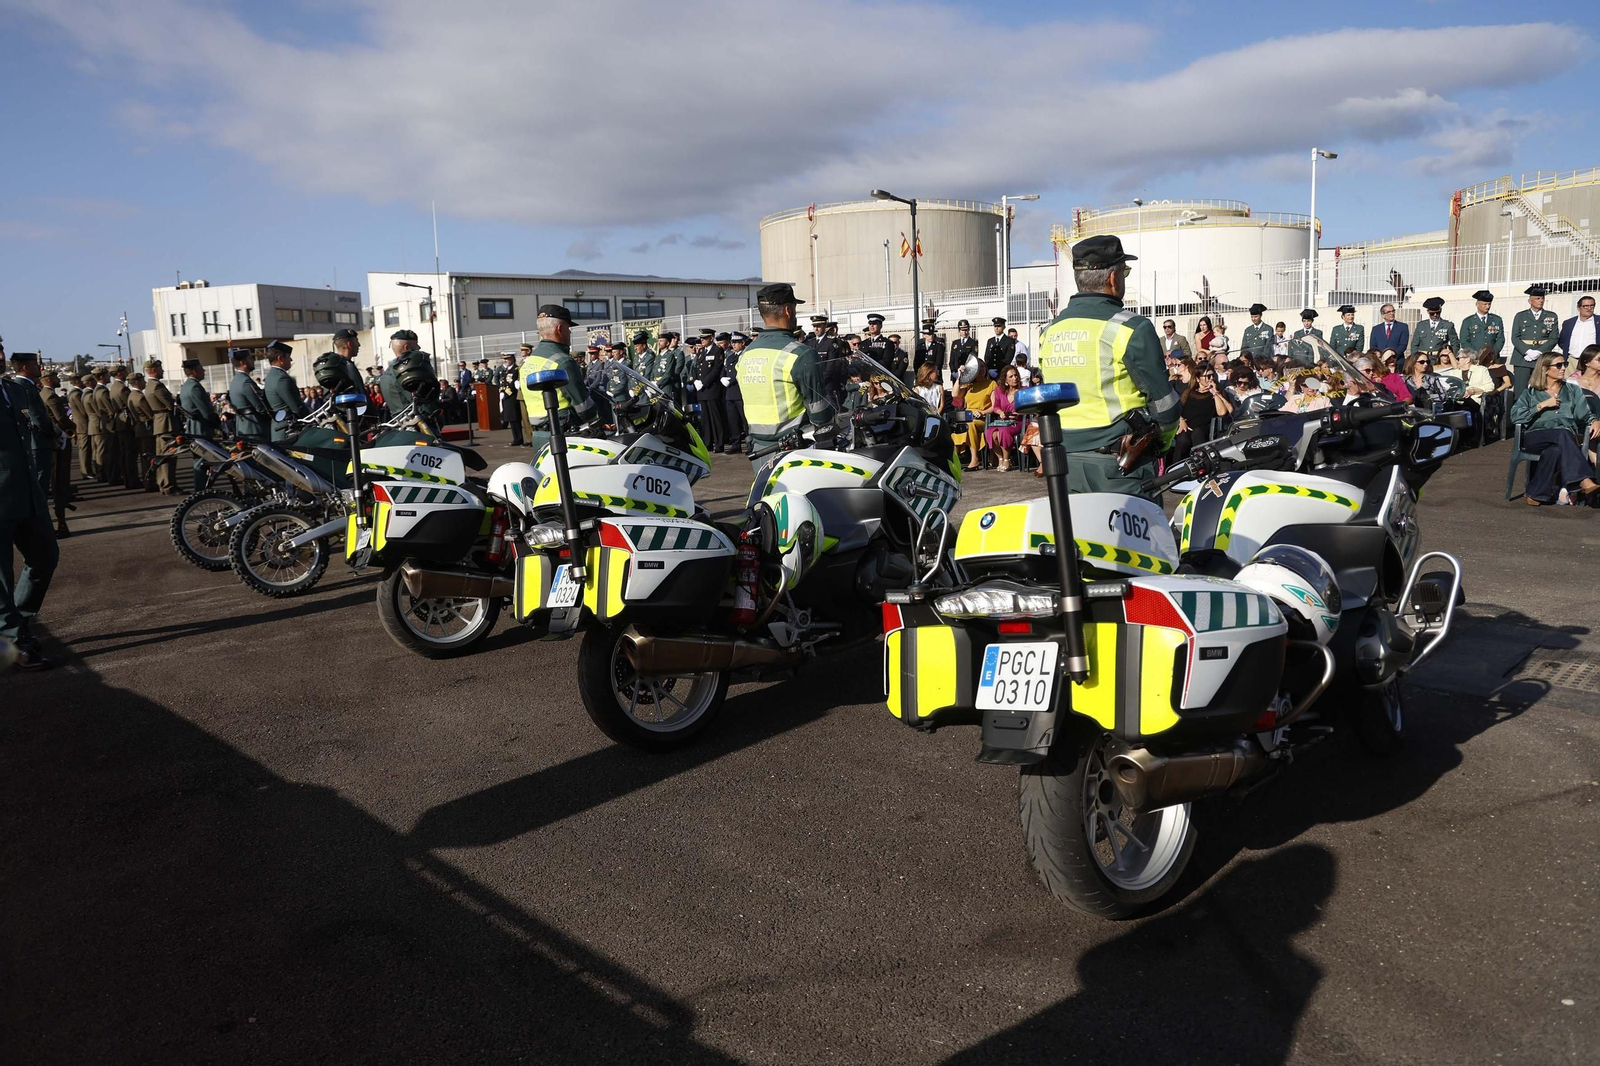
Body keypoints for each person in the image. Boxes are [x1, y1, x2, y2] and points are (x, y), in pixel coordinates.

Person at [1034, 235, 1179, 497]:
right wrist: (1163, 444)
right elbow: (1165, 406)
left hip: (1064, 463)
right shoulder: (1131, 327)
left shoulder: (1049, 331)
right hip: (1118, 466)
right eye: (1124, 271)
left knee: (1073, 536)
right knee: (1133, 538)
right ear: (1113, 278)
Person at [0, 334, 58, 671]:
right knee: (1, 577)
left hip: (26, 494)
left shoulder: (15, 390)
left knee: (45, 557)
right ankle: (12, 641)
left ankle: (18, 620)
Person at [738, 283, 833, 457]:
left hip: (758, 448)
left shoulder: (746, 354)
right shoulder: (801, 353)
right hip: (795, 448)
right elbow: (819, 413)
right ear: (788, 310)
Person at [1511, 351, 1600, 505]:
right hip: (1536, 436)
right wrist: (1541, 406)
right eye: (1558, 365)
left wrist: (1595, 420)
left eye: (1564, 364)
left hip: (1564, 438)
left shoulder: (1572, 390)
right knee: (1563, 434)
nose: (1563, 368)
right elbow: (1515, 416)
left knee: (1556, 449)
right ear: (1545, 369)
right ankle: (1584, 481)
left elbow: (1583, 414)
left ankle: (1535, 493)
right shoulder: (1531, 393)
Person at [517, 304, 596, 453]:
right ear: (559, 329)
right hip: (565, 436)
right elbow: (585, 410)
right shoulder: (563, 361)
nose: (569, 333)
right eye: (568, 328)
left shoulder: (530, 361)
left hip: (540, 435)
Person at [37, 371, 74, 533]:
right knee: (59, 479)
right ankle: (61, 523)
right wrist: (72, 428)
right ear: (50, 379)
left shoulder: (41, 394)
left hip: (50, 442)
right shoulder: (50, 396)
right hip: (58, 442)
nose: (59, 380)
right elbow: (60, 418)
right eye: (56, 378)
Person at [1172, 363, 1232, 462]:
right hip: (1188, 426)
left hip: (1205, 427)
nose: (1211, 378)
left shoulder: (1218, 392)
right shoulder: (1188, 392)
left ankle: (1202, 464)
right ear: (1198, 379)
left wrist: (1215, 393)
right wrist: (1181, 420)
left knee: (1198, 434)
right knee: (1183, 441)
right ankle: (1176, 470)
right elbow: (1177, 409)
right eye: (1208, 376)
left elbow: (1222, 413)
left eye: (1213, 375)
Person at [1509, 285, 1560, 397]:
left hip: (1542, 358)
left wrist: (1539, 352)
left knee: (1541, 388)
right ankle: (1520, 413)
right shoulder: (1520, 316)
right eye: (1537, 298)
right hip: (1522, 358)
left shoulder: (1551, 316)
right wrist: (1527, 351)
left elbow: (1553, 338)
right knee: (1520, 390)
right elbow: (1515, 337)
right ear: (1530, 300)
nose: (1541, 301)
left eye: (1542, 298)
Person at [178, 358, 220, 485]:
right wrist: (218, 425)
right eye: (201, 368)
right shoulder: (195, 387)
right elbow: (206, 411)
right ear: (195, 371)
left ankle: (202, 488)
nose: (204, 370)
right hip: (200, 427)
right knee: (202, 459)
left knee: (200, 458)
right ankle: (202, 490)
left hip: (194, 425)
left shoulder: (186, 386)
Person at [143, 360, 178, 494]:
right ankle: (169, 485)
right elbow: (170, 404)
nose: (162, 371)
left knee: (161, 457)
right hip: (166, 424)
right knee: (168, 456)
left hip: (159, 423)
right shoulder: (157, 386)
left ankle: (163, 484)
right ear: (154, 370)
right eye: (160, 368)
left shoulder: (150, 386)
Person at [264, 341, 310, 441]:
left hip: (279, 428)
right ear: (280, 358)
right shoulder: (282, 379)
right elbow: (297, 408)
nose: (291, 359)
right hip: (288, 430)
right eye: (289, 357)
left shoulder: (271, 376)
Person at [227, 349, 273, 443]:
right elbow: (260, 406)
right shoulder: (245, 382)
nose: (253, 361)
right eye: (250, 358)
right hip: (254, 427)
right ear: (243, 362)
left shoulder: (236, 380)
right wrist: (271, 418)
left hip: (243, 426)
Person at [952, 373, 995, 470]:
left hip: (982, 418)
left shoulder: (991, 383)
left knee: (969, 425)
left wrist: (982, 412)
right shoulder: (969, 385)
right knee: (955, 428)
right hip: (968, 416)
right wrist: (960, 376)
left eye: (983, 367)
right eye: (979, 368)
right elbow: (955, 394)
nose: (981, 370)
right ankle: (955, 460)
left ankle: (974, 458)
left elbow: (994, 406)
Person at [985, 365, 1024, 471]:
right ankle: (1000, 458)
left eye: (1016, 375)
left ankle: (1007, 459)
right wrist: (1001, 412)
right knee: (990, 432)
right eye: (1011, 376)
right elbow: (996, 407)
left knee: (1003, 431)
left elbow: (1029, 407)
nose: (1014, 378)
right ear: (1005, 379)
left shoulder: (1024, 390)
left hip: (1019, 421)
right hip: (1004, 420)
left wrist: (1019, 413)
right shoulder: (999, 391)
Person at [123, 372, 157, 493]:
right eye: (142, 380)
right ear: (137, 382)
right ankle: (150, 482)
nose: (145, 382)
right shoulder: (140, 397)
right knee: (149, 458)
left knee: (145, 458)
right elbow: (150, 414)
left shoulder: (132, 395)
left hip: (140, 429)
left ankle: (148, 481)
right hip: (145, 429)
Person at [107, 364, 140, 488]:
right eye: (124, 371)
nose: (127, 373)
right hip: (126, 421)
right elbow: (130, 404)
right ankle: (132, 480)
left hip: (119, 421)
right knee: (130, 453)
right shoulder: (122, 388)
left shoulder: (114, 387)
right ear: (120, 373)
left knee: (124, 452)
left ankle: (128, 479)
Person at [1459, 290, 1504, 360]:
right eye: (1485, 304)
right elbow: (1464, 341)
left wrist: (1493, 352)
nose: (1487, 306)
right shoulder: (1468, 321)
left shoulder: (1497, 320)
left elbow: (1500, 339)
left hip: (1492, 358)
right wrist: (1476, 354)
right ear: (1477, 304)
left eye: (1489, 304)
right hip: (1475, 358)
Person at [723, 331, 749, 453]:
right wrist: (722, 378)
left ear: (743, 343)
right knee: (733, 421)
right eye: (732, 342)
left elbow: (742, 372)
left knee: (745, 421)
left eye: (736, 342)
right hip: (730, 393)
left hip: (741, 392)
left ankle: (750, 444)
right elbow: (724, 370)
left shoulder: (746, 356)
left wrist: (732, 380)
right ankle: (736, 445)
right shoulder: (730, 357)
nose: (733, 345)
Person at [68, 374, 94, 482]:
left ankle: (87, 470)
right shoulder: (77, 394)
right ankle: (86, 471)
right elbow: (83, 410)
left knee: (85, 448)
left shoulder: (74, 393)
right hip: (82, 424)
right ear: (77, 381)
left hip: (80, 423)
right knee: (84, 448)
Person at [1560, 294, 1597, 358]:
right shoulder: (1568, 323)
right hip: (1572, 360)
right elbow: (1562, 341)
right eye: (1586, 306)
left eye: (1592, 306)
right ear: (1578, 308)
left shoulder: (1598, 322)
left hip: (1593, 360)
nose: (1589, 308)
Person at [948, 318, 979, 386]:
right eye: (962, 330)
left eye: (966, 330)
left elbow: (973, 359)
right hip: (956, 374)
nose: (964, 332)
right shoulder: (955, 343)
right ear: (959, 331)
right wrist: (954, 371)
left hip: (967, 374)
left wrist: (965, 369)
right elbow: (952, 360)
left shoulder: (973, 343)